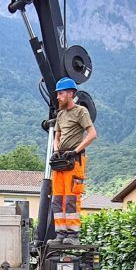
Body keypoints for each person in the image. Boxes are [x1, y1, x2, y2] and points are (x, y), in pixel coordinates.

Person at [51, 77, 97, 244]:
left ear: (71, 94)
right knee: (57, 198)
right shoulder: (60, 114)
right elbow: (57, 136)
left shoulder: (81, 111)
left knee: (71, 197)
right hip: (61, 160)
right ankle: (61, 234)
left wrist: (74, 151)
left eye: (61, 93)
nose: (58, 97)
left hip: (74, 160)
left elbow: (92, 134)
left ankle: (73, 235)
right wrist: (57, 151)